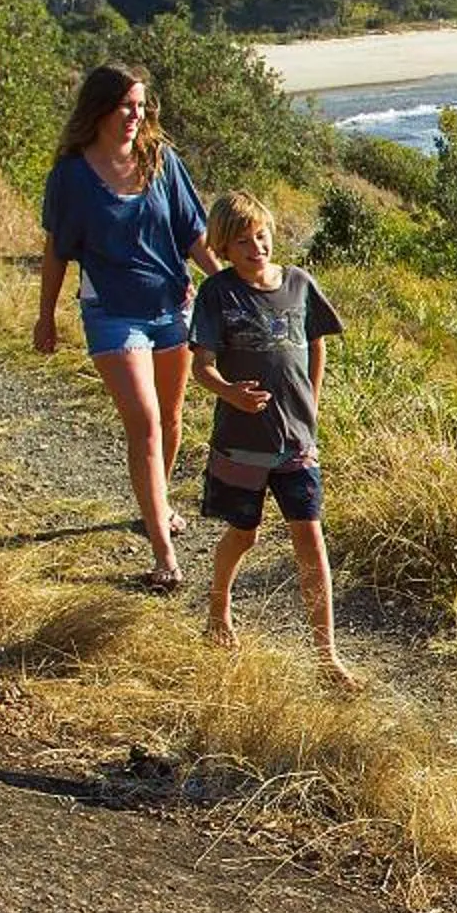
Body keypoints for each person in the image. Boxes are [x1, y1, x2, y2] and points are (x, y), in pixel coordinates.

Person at [35, 62, 216, 593]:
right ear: (100, 110)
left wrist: (232, 284)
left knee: (171, 417)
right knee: (145, 423)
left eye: (141, 105)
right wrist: (45, 315)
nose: (137, 115)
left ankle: (153, 504)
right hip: (113, 313)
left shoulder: (162, 161)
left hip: (171, 309)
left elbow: (194, 235)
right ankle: (164, 551)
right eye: (126, 106)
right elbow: (56, 251)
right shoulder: (71, 176)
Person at [186, 191, 357, 688]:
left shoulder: (300, 284)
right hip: (241, 442)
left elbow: (317, 345)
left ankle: (327, 657)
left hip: (298, 443)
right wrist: (228, 393)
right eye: (242, 242)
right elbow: (203, 366)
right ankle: (219, 604)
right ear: (222, 247)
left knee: (311, 541)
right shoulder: (219, 294)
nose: (255, 247)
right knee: (245, 534)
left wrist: (312, 406)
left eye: (260, 235)